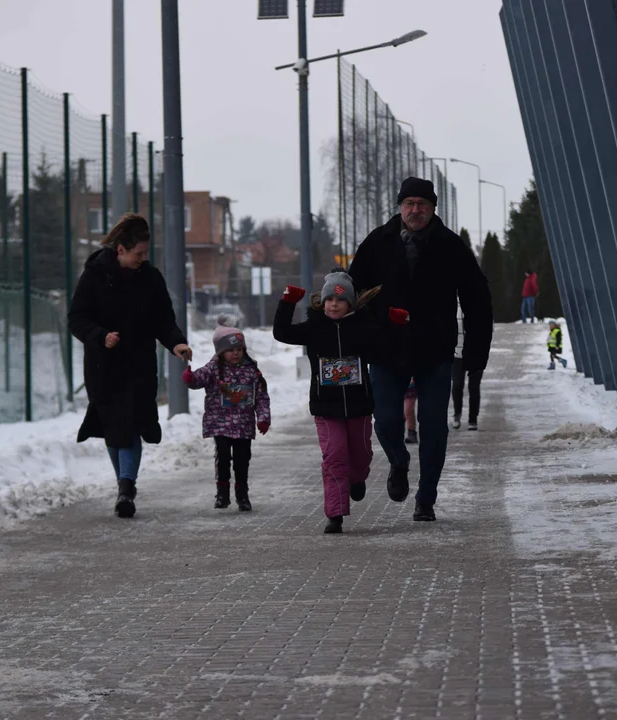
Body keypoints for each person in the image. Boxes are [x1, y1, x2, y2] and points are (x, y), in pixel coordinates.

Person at [348, 177, 493, 522]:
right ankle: (399, 461)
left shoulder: (451, 246)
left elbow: (477, 300)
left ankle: (426, 498)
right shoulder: (377, 243)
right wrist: (354, 339)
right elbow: (352, 294)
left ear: (433, 208)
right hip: (386, 349)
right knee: (384, 420)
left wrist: (476, 352)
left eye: (423, 204)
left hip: (435, 350)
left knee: (433, 425)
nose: (416, 210)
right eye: (410, 203)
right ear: (399, 206)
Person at [68, 213, 193, 519]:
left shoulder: (150, 278)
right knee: (114, 426)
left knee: (132, 425)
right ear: (121, 250)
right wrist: (100, 336)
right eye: (138, 253)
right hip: (104, 366)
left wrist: (176, 342)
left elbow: (164, 319)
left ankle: (126, 486)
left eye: (145, 253)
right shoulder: (94, 276)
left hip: (139, 364)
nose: (142, 259)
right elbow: (77, 318)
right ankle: (125, 485)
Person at [273, 269, 408, 534]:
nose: (334, 305)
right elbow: (282, 333)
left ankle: (356, 479)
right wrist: (287, 303)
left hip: (359, 407)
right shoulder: (314, 328)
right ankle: (335, 514)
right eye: (329, 300)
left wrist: (397, 325)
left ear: (350, 303)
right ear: (322, 303)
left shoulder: (363, 328)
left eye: (340, 300)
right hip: (326, 408)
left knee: (360, 456)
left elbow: (387, 349)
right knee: (334, 456)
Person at [182, 317, 271, 512]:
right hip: (219, 423)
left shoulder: (251, 370)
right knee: (223, 458)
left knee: (242, 460)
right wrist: (190, 377)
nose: (235, 353)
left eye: (239, 349)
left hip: (243, 424)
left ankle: (242, 495)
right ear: (221, 352)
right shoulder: (214, 368)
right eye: (230, 350)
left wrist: (263, 418)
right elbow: (199, 379)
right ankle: (222, 494)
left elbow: (261, 396)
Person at [451, 312, 483, 431]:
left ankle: (473, 419)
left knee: (474, 386)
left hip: (476, 353)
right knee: (457, 384)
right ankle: (457, 414)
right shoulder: (454, 304)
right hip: (457, 354)